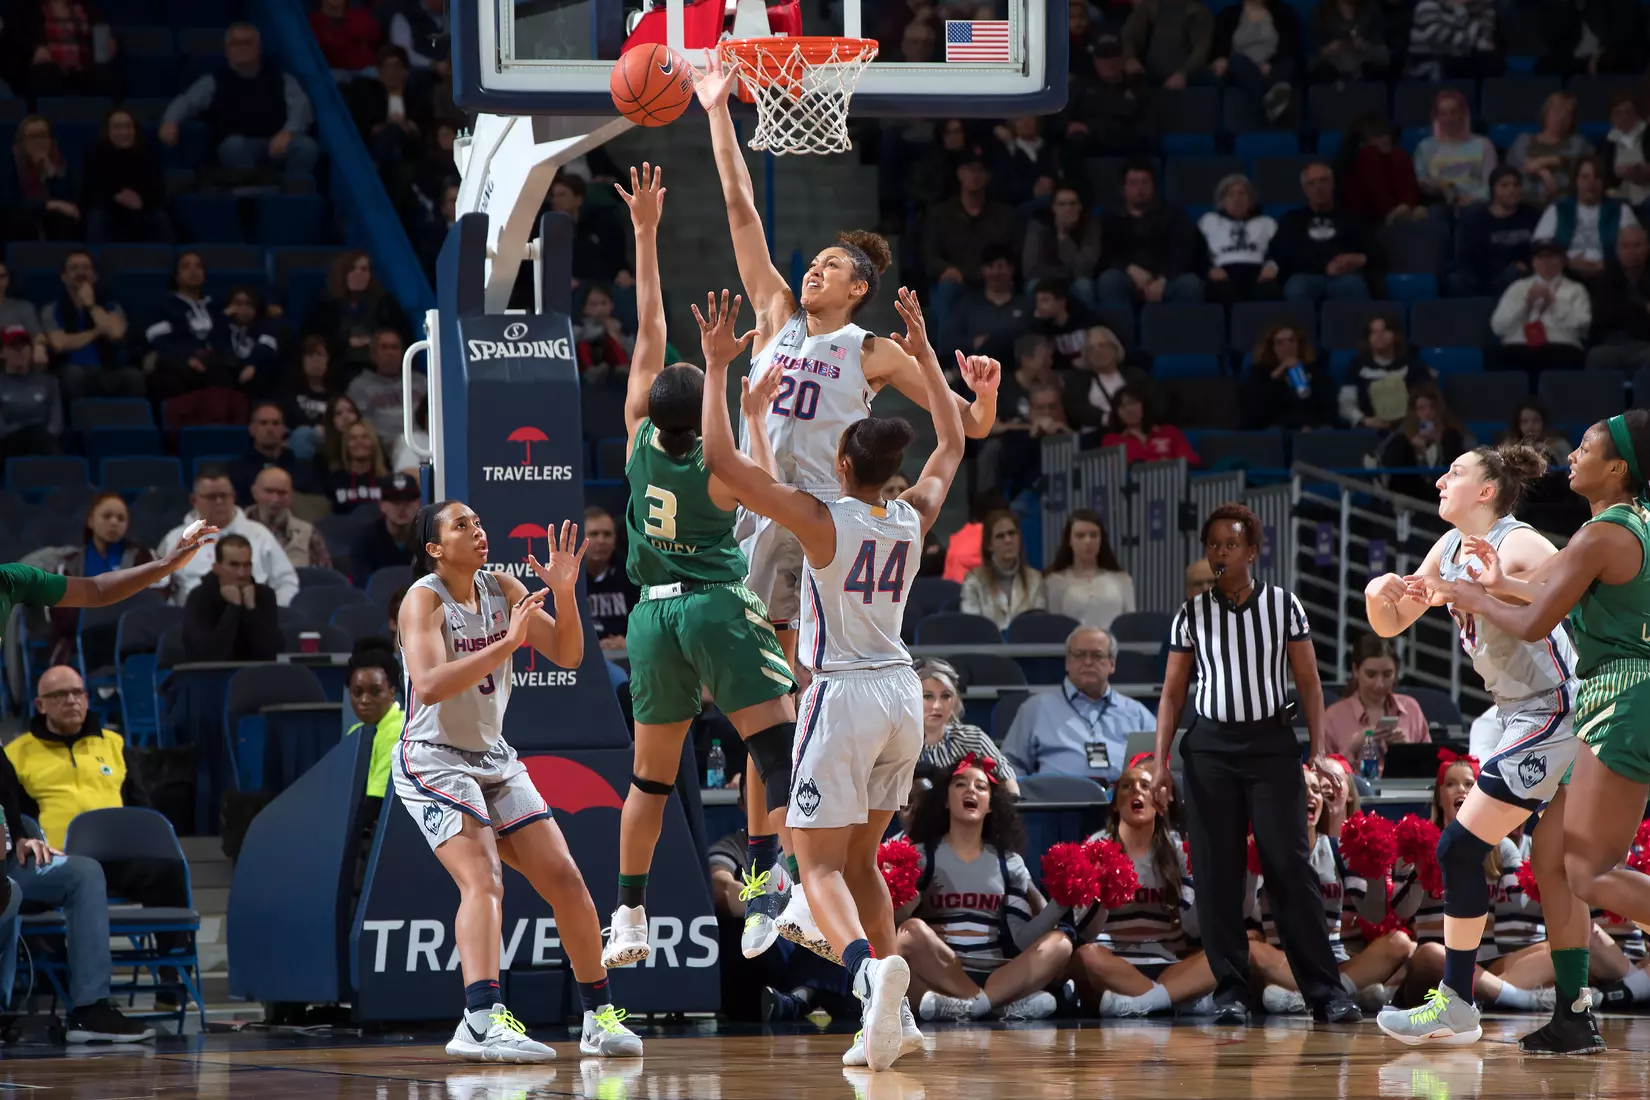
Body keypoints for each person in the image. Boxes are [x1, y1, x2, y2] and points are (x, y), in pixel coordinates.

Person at [699, 278, 987, 1071]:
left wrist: (724, 374)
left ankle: (871, 972)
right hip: (903, 691)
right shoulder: (913, 514)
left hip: (842, 692)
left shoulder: (820, 519)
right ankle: (889, 1023)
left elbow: (722, 461)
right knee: (862, 862)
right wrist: (927, 354)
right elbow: (955, 445)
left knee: (814, 860)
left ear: (838, 458)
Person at [698, 54, 998, 686]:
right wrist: (717, 111)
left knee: (804, 668)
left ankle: (813, 762)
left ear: (859, 287)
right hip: (759, 500)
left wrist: (987, 395)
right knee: (752, 678)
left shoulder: (874, 351)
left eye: (832, 265)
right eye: (814, 262)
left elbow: (967, 428)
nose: (814, 269)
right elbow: (740, 210)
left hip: (822, 516)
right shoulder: (776, 311)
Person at [593, 167, 801, 973]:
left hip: (650, 618)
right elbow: (752, 470)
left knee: (649, 783)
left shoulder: (638, 438)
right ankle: (770, 891)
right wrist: (733, 382)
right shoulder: (724, 468)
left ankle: (631, 913)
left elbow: (648, 322)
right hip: (717, 606)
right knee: (778, 756)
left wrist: (645, 233)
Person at [1366, 440, 1593, 1052]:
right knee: (1559, 870)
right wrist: (1379, 592)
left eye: (1455, 472)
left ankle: (1458, 1003)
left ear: (1487, 492)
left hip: (1561, 707)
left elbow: (1564, 595)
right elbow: (1392, 623)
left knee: (1461, 848)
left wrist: (1486, 592)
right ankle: (1575, 1016)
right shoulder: (1446, 548)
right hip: (1521, 714)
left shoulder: (1521, 543)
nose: (1440, 480)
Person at [396, 500, 641, 1062]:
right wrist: (507, 644)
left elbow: (569, 653)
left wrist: (563, 593)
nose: (478, 532)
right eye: (462, 526)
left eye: (479, 523)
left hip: (492, 757)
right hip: (432, 758)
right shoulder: (424, 599)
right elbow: (429, 684)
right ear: (435, 549)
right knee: (483, 879)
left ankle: (598, 1017)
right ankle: (479, 1021)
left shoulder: (501, 586)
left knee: (565, 878)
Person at [1440, 412, 1650, 1052]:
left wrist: (1462, 593)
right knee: (1558, 863)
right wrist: (1498, 583)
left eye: (1587, 447)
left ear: (1617, 467)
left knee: (1587, 872)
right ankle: (1573, 1015)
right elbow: (1539, 597)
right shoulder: (1633, 525)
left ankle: (1476, 1006)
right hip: (1627, 694)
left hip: (1619, 693)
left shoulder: (1601, 532)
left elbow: (1534, 624)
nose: (1573, 454)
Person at [1151, 502, 1362, 1025]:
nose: (1220, 551)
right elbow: (1172, 695)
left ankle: (1325, 992)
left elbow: (1309, 683)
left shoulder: (1284, 605)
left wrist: (1316, 749)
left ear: (1252, 550)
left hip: (1271, 747)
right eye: (1213, 543)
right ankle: (1231, 993)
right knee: (1218, 873)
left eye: (1231, 543)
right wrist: (1159, 765)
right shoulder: (1190, 614)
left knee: (1289, 866)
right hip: (1209, 751)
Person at [1363, 756, 1557, 1018]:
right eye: (1451, 784)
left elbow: (1517, 906)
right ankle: (1520, 999)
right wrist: (1418, 874)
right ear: (1439, 797)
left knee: (1559, 949)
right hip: (1433, 964)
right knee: (1432, 952)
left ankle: (1485, 995)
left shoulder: (1501, 846)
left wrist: (1547, 875)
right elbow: (1403, 912)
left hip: (1487, 964)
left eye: (1469, 784)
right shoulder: (1413, 844)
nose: (1461, 790)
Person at [895, 758, 1070, 1022]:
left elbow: (1022, 939)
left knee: (1062, 944)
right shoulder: (920, 856)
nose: (971, 791)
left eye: (981, 787)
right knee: (909, 934)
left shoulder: (1008, 862)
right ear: (944, 800)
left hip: (997, 973)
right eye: (960, 784)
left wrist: (1060, 904)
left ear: (991, 805)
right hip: (941, 970)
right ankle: (992, 1006)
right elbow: (892, 925)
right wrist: (906, 904)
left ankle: (971, 1006)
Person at [1249, 764, 1417, 1016]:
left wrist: (1374, 871)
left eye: (1316, 789)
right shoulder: (1262, 849)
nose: (1311, 795)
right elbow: (1242, 912)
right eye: (1300, 788)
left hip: (1334, 961)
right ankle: (1343, 994)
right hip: (1285, 962)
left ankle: (1318, 996)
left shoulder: (1339, 850)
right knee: (1250, 946)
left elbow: (1372, 914)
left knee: (1399, 943)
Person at [1068, 757, 1217, 1017]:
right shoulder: (1094, 847)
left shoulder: (1177, 850)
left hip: (1168, 963)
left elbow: (1192, 927)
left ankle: (1144, 1002)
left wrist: (1207, 885)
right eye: (1127, 786)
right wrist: (1104, 893)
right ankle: (1173, 999)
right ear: (1115, 804)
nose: (1137, 790)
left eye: (1146, 786)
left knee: (1228, 952)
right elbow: (1085, 931)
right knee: (1086, 956)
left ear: (1159, 802)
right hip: (1112, 963)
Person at [159, 23, 321, 183]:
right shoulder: (212, 81)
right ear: (227, 50)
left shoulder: (283, 79)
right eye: (235, 43)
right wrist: (170, 120)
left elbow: (301, 108)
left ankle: (294, 191)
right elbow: (186, 101)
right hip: (239, 144)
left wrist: (288, 133)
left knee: (306, 146)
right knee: (233, 147)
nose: (242, 48)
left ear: (259, 48)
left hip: (278, 141)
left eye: (248, 42)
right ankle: (255, 188)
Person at [1000, 626, 1156, 785]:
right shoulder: (1036, 709)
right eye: (1080, 655)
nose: (1088, 662)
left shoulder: (1136, 713)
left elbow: (1163, 762)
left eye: (1097, 655)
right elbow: (1011, 764)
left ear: (1112, 664)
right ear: (1068, 663)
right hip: (1058, 802)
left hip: (1123, 802)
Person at [157, 469, 298, 607]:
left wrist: (273, 613)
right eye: (211, 497)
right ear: (194, 500)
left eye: (224, 496)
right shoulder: (174, 540)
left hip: (253, 619)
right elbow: (159, 588)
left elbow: (286, 581)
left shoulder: (260, 535)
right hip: (194, 620)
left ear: (234, 497)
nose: (219, 502)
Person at [46, 492, 153, 664]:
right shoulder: (69, 565)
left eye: (121, 519)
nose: (113, 523)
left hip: (130, 641)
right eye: (106, 516)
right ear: (90, 521)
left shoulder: (143, 558)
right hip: (83, 642)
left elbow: (153, 602)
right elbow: (63, 616)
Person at [1095, 160, 1205, 308]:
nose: (1139, 188)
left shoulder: (1174, 214)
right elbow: (1104, 254)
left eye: (1144, 182)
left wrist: (1163, 278)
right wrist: (1129, 269)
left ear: (1154, 186)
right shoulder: (1109, 217)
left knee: (1190, 284)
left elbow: (1184, 252)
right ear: (1124, 188)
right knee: (1109, 280)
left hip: (1166, 280)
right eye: (1133, 183)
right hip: (1126, 278)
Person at [42, 250, 138, 406]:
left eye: (86, 268)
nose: (81, 272)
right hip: (71, 368)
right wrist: (98, 331)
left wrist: (91, 306)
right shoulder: (51, 309)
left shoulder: (111, 306)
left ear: (95, 275)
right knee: (73, 375)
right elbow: (60, 344)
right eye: (74, 268)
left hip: (107, 368)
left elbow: (116, 334)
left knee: (132, 376)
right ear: (64, 277)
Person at [1322, 633, 1431, 766]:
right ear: (1356, 670)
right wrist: (1352, 749)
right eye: (1371, 675)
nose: (1380, 684)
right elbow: (1323, 776)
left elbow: (1429, 768)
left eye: (1387, 674)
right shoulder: (1333, 717)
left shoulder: (1411, 709)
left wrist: (1406, 750)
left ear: (1396, 673)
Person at [913, 658, 1018, 796]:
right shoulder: (895, 745)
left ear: (955, 700)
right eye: (927, 696)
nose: (937, 706)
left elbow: (1006, 779)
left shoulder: (973, 738)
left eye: (946, 696)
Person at [1272, 162, 1370, 305]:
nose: (1318, 187)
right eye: (1311, 183)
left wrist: (1357, 258)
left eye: (1323, 181)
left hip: (1346, 276)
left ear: (1332, 183)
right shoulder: (1292, 219)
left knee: (1352, 286)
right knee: (1297, 288)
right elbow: (1285, 255)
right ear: (1305, 190)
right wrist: (1325, 266)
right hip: (1305, 276)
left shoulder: (1352, 217)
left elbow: (1375, 252)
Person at [1490, 239, 1591, 377]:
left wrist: (1553, 304)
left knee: (1565, 357)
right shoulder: (1517, 287)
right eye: (1540, 256)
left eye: (1551, 256)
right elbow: (1498, 327)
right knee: (1497, 356)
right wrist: (1525, 305)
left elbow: (1583, 327)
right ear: (1533, 262)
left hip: (1560, 347)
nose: (1545, 261)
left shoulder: (1576, 289)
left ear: (1562, 261)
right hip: (1519, 345)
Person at [1532, 156, 1638, 283]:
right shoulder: (1558, 209)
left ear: (1603, 182)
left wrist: (1607, 264)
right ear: (1576, 180)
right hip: (1565, 274)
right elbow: (1539, 247)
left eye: (1597, 178)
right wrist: (1567, 263)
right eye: (1585, 177)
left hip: (1610, 275)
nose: (1591, 183)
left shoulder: (1620, 210)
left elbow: (1636, 248)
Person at [182, 533, 281, 663]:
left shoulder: (264, 595)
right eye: (234, 565)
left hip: (255, 676)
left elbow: (272, 653)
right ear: (217, 568)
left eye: (247, 565)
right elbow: (210, 655)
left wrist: (251, 609)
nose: (241, 573)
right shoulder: (199, 597)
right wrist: (233, 608)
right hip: (211, 678)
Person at [81, 107, 171, 244]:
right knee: (96, 218)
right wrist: (116, 198)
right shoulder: (95, 153)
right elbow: (90, 191)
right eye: (118, 127)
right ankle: (93, 259)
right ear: (108, 131)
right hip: (108, 207)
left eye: (129, 127)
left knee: (160, 218)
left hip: (141, 207)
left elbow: (158, 189)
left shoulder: (147, 153)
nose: (124, 132)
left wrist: (141, 201)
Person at [1448, 166, 1538, 299]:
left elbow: (1539, 250)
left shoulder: (1532, 215)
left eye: (1516, 185)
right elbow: (1468, 257)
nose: (1511, 190)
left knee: (1514, 274)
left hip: (1518, 278)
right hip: (1483, 278)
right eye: (1505, 185)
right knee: (1457, 280)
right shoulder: (1476, 218)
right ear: (1493, 189)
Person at [1043, 510, 1137, 630]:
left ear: (1101, 539)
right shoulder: (1054, 582)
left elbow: (1130, 624)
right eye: (1080, 536)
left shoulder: (1122, 579)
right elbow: (1055, 628)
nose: (1088, 541)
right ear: (1069, 541)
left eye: (1093, 535)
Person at [1209, 0, 1299, 123]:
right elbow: (1218, 49)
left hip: (1273, 67)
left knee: (1288, 64)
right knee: (1236, 61)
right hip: (1242, 67)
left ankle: (1267, 105)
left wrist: (1270, 63)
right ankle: (1270, 105)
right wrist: (1221, 59)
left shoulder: (1283, 13)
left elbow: (1290, 46)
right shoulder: (1229, 15)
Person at [1339, 314, 1432, 431]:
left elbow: (1428, 399)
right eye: (1374, 332)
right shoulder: (1356, 366)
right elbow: (1346, 403)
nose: (1379, 336)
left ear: (1395, 335)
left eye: (1385, 330)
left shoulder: (1413, 364)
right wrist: (1364, 420)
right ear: (1368, 338)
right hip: (1369, 427)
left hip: (1408, 428)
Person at [1198, 174, 1279, 306]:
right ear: (1222, 201)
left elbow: (1279, 251)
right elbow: (1197, 252)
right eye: (1230, 195)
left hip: (1258, 273)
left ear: (1250, 199)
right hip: (1223, 273)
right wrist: (1209, 269)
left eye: (1242, 194)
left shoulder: (1266, 222)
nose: (1237, 199)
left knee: (1269, 291)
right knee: (1220, 291)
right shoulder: (1209, 221)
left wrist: (1272, 267)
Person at [960, 510, 1045, 630]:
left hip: (1026, 647)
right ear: (989, 545)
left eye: (1012, 533)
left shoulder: (1035, 579)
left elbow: (1040, 627)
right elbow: (972, 629)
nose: (1008, 540)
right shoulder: (973, 581)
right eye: (1000, 536)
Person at [343, 640, 404, 808]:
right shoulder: (355, 732)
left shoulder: (399, 730)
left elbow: (376, 802)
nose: (365, 700)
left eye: (375, 691)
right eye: (357, 692)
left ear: (393, 691)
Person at [1241, 323, 1335, 430]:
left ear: (1299, 345)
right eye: (1280, 343)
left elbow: (1328, 408)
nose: (1287, 347)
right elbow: (1255, 414)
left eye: (1291, 340)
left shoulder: (1315, 370)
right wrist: (1277, 375)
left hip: (1310, 429)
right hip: (1276, 430)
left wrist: (1312, 425)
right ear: (1272, 348)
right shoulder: (1260, 372)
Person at [1415, 89, 1498, 210]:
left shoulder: (1483, 144)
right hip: (1439, 204)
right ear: (1436, 117)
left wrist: (1472, 199)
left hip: (1475, 205)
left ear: (1463, 114)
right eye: (1443, 113)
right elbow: (1420, 181)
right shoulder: (1425, 147)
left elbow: (1491, 184)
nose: (1448, 118)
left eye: (1453, 112)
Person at [1508, 92, 1592, 207]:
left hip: (1564, 205)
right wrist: (1545, 174)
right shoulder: (1524, 140)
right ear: (1546, 113)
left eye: (1567, 114)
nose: (1561, 118)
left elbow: (1573, 160)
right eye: (1557, 111)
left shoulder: (1578, 143)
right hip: (1525, 203)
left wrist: (1542, 162)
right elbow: (1522, 167)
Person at [1585, 223, 1650, 371]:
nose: (1631, 251)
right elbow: (1603, 316)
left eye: (1637, 245)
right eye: (1625, 246)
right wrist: (1643, 309)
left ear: (1648, 247)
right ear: (1617, 250)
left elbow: (1616, 311)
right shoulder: (1605, 277)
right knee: (1596, 356)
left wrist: (1625, 310)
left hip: (1647, 343)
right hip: (1612, 343)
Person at [228, 402, 315, 504]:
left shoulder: (304, 469)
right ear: (252, 429)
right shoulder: (237, 471)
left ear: (283, 429)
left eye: (275, 423)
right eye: (263, 423)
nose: (270, 429)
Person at [246, 467, 331, 570]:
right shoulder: (230, 527)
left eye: (282, 493)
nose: (275, 499)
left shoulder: (309, 533)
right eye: (269, 491)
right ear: (254, 492)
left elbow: (326, 576)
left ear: (291, 496)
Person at [346, 328, 419, 445]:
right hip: (379, 446)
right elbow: (359, 426)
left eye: (394, 347)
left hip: (419, 443)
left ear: (403, 353)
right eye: (384, 347)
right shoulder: (359, 386)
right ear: (373, 354)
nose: (390, 352)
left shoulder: (420, 381)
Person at [582, 505, 638, 652]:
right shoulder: (570, 577)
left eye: (607, 534)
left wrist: (630, 641)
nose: (601, 541)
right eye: (594, 534)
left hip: (626, 651)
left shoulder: (631, 572)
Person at [0, 323, 61, 457]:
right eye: (13, 346)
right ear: (2, 352)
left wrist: (45, 435)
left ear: (31, 349)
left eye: (24, 346)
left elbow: (56, 420)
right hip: (7, 442)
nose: (20, 351)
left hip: (42, 441)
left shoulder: (49, 382)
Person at [1101, 386, 1199, 467]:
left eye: (1133, 403)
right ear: (1117, 413)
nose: (1129, 409)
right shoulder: (1113, 440)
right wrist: (1162, 461)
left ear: (1144, 405)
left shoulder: (1169, 432)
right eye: (1122, 406)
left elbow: (1192, 462)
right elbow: (1120, 470)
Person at [350, 473, 422, 575]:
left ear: (418, 503)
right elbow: (361, 583)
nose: (402, 507)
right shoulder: (365, 539)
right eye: (394, 500)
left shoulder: (427, 539)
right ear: (381, 504)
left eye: (408, 500)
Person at [321, 419, 391, 514]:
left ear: (374, 443)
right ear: (346, 445)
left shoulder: (388, 481)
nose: (359, 442)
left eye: (365, 437)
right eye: (353, 438)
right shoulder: (335, 479)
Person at [1500, 399, 1571, 465]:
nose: (1530, 426)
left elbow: (1568, 473)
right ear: (1518, 425)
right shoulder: (1509, 448)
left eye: (1536, 420)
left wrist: (1550, 454)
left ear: (1544, 423)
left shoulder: (1560, 446)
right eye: (1525, 421)